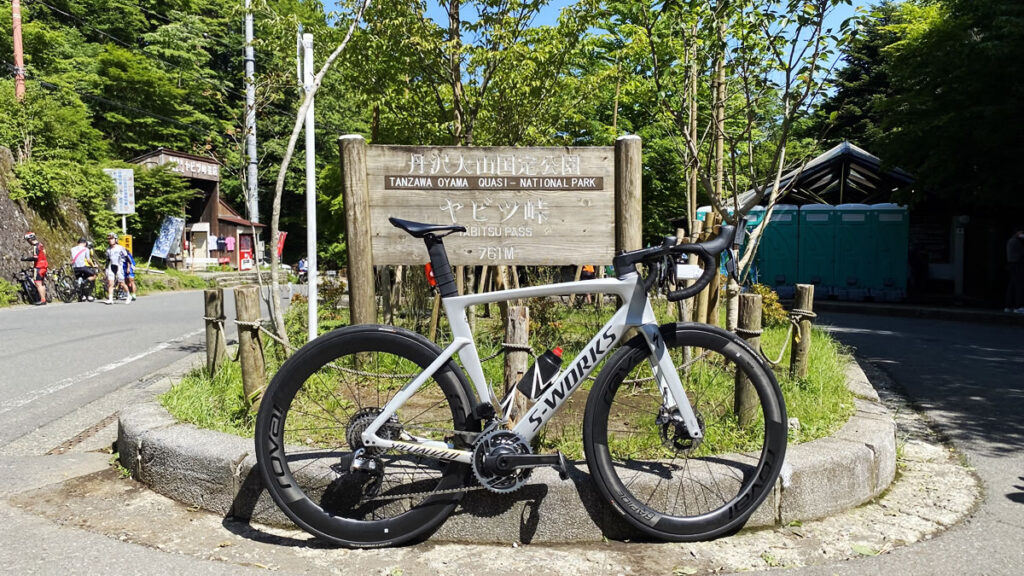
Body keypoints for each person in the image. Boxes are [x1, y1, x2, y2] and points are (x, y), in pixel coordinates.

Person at [20, 232, 48, 305]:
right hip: (44, 265)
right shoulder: (41, 245)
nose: (28, 242)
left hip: (39, 266)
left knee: (37, 283)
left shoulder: (35, 247)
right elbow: (44, 253)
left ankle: (43, 299)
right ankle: (44, 298)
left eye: (27, 240)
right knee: (42, 283)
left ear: (30, 239)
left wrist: (25, 259)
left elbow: (35, 258)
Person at [104, 232, 131, 305]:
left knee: (121, 283)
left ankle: (128, 295)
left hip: (119, 266)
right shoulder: (108, 249)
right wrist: (106, 269)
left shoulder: (120, 248)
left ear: (115, 239)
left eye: (112, 239)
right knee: (110, 283)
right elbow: (107, 260)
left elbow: (127, 258)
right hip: (111, 266)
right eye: (109, 239)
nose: (110, 240)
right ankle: (110, 299)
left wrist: (128, 267)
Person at [70, 237, 97, 302]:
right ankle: (84, 282)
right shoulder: (86, 249)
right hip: (82, 267)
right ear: (85, 243)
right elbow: (88, 260)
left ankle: (82, 295)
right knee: (94, 276)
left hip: (75, 268)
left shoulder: (72, 249)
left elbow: (72, 259)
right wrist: (93, 266)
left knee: (79, 278)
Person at [1006, 225, 1024, 313]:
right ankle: (1018, 306)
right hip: (1016, 264)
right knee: (1019, 285)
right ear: (1017, 232)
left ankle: (1008, 306)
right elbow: (1021, 254)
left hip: (1011, 264)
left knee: (1012, 285)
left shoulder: (1011, 240)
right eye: (1021, 232)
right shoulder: (1016, 241)